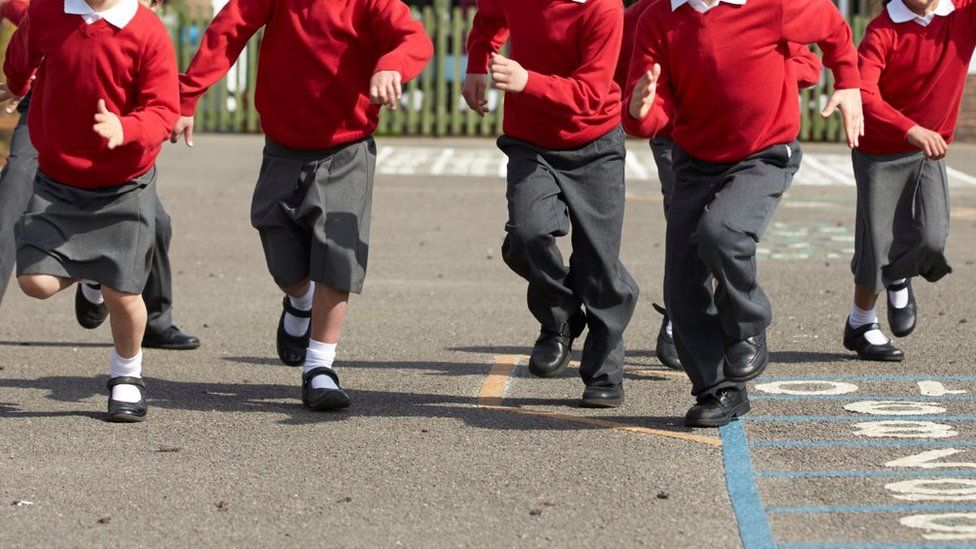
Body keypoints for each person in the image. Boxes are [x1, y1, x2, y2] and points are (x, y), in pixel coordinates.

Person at [171, 0, 433, 411]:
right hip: (283, 147)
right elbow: (229, 30)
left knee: (337, 253)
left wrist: (393, 65)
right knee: (282, 254)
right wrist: (189, 95)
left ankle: (320, 367)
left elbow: (413, 38)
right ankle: (299, 301)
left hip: (347, 148)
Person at [624, 0, 863, 426]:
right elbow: (653, 111)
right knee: (681, 285)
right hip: (695, 161)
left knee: (722, 234)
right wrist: (640, 111)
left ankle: (748, 324)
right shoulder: (658, 19)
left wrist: (847, 80)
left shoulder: (773, 5)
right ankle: (719, 390)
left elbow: (832, 27)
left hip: (764, 153)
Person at [1, 0, 180, 422]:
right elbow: (22, 52)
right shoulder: (46, 13)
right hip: (59, 179)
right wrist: (17, 81)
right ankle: (92, 275)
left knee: (124, 292)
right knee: (35, 282)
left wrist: (127, 128)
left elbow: (162, 109)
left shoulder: (148, 32)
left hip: (124, 184)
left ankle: (126, 375)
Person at [463, 0, 639, 408]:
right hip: (530, 142)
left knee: (599, 262)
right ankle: (560, 316)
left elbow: (593, 93)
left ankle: (604, 373)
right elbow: (489, 19)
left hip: (595, 143)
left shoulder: (603, 9)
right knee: (527, 234)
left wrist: (528, 81)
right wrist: (476, 64)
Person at [843, 0, 972, 361]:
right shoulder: (882, 31)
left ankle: (899, 274)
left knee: (931, 240)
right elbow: (863, 93)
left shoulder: (962, 15)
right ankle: (860, 323)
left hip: (928, 150)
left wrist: (920, 136)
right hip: (880, 151)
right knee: (877, 244)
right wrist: (909, 129)